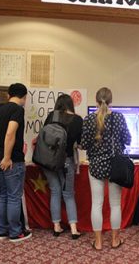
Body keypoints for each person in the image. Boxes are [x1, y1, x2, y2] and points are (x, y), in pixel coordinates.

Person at [81, 87, 131, 250]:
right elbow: (128, 139)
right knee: (115, 204)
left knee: (97, 204)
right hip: (116, 166)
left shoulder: (89, 119)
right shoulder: (119, 117)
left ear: (96, 100)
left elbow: (84, 144)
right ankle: (115, 240)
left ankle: (98, 242)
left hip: (96, 165)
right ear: (111, 101)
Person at [0, 83, 31, 243]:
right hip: (11, 160)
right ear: (23, 97)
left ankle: (2, 231)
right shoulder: (17, 110)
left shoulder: (0, 110)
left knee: (3, 194)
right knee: (14, 196)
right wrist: (7, 157)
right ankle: (15, 233)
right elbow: (10, 133)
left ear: (9, 95)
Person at [42, 94, 83, 239]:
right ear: (71, 104)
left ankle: (56, 227)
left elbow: (44, 136)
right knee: (68, 194)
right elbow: (80, 144)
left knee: (55, 191)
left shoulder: (51, 116)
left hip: (48, 161)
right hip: (66, 161)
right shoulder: (77, 120)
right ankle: (73, 229)